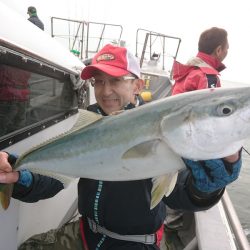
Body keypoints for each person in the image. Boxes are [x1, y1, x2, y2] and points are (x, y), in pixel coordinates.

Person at [0, 44, 242, 250]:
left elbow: (180, 193)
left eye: (116, 80)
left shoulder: (163, 130)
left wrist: (205, 189)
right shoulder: (88, 123)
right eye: (99, 82)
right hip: (88, 235)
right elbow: (55, 179)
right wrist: (18, 175)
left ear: (137, 85)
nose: (105, 92)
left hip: (137, 244)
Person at [171, 27, 228, 95]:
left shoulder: (185, 72)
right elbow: (209, 104)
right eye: (227, 48)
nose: (227, 51)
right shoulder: (209, 77)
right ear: (218, 50)